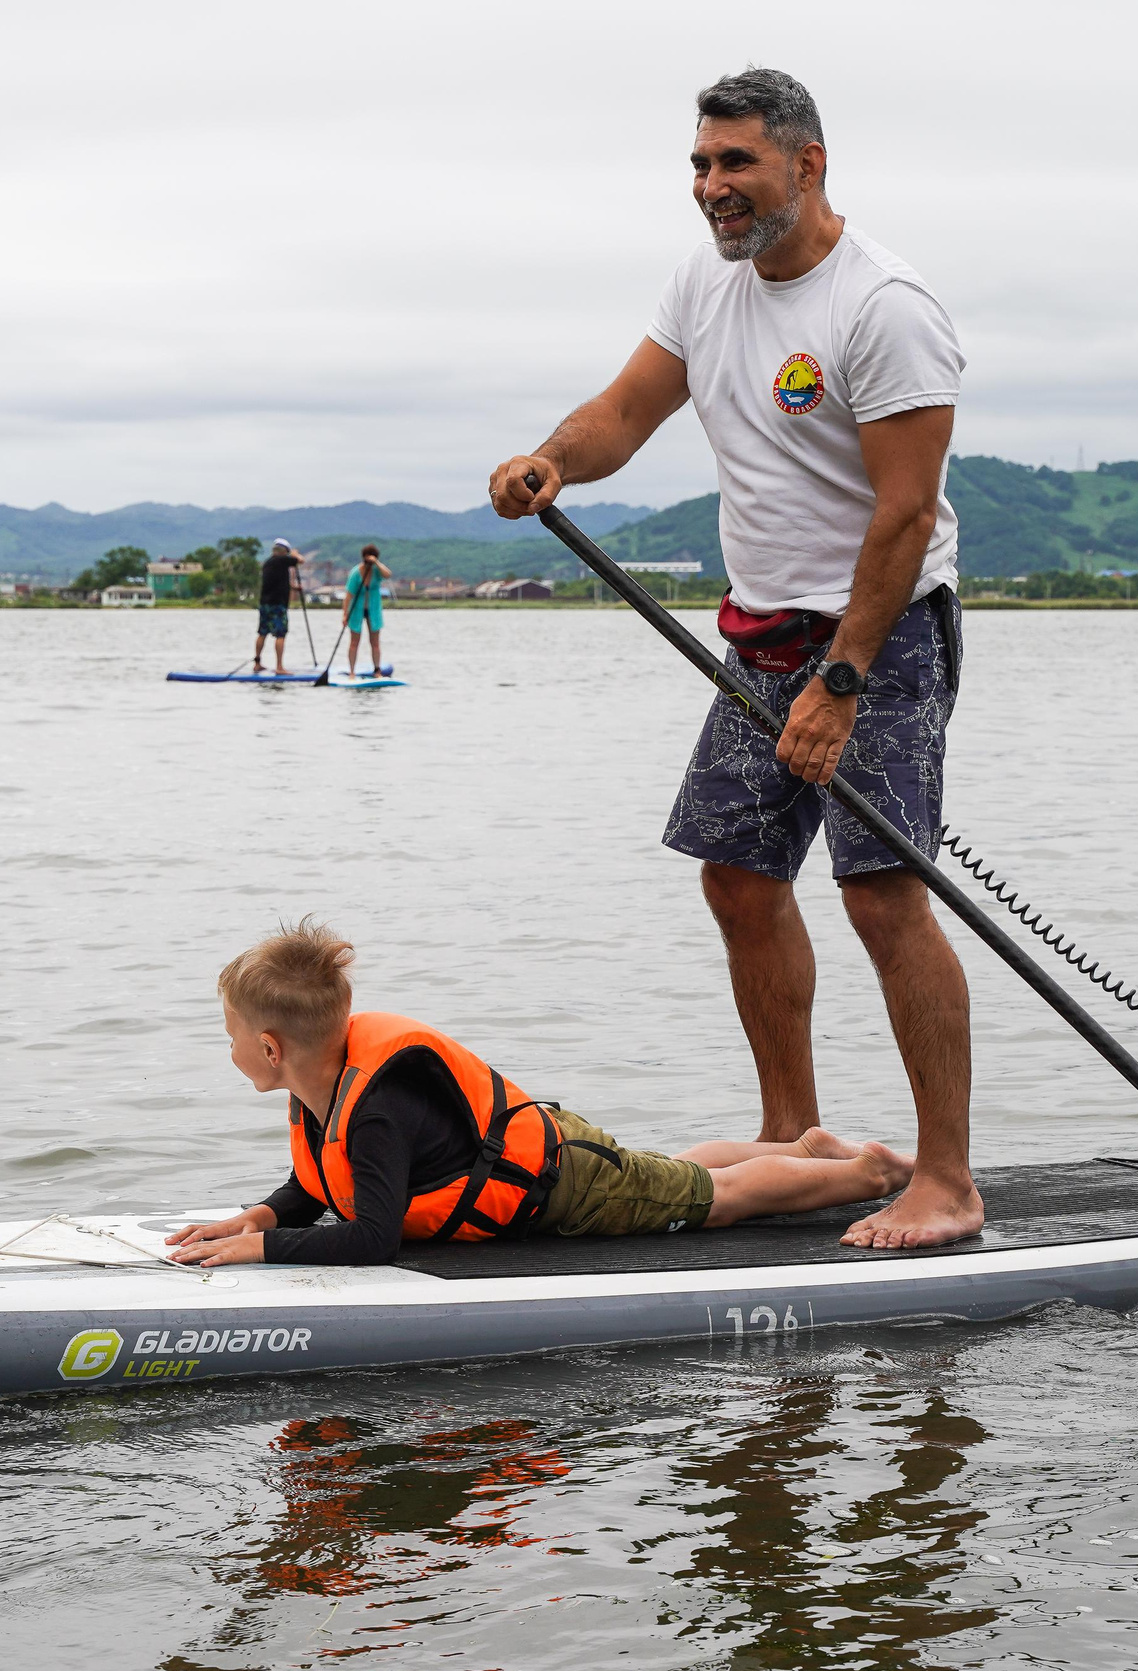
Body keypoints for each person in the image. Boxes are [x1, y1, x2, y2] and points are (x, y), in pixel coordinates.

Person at [486, 68, 974, 1250]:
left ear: (807, 164)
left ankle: (946, 1183)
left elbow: (903, 520)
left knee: (881, 896)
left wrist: (841, 685)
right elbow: (625, 410)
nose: (711, 188)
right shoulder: (706, 281)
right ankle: (797, 1136)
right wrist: (551, 459)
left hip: (884, 631)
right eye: (701, 166)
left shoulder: (884, 306)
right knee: (738, 876)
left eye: (735, 163)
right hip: (762, 632)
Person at [165, 920, 913, 1267]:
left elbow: (372, 1238)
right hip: (554, 1156)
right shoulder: (321, 1077)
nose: (228, 1047)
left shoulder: (375, 1111)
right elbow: (320, 1179)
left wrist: (260, 1250)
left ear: (270, 1048)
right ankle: (804, 1147)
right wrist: (262, 1213)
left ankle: (865, 1171)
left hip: (561, 1185)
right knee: (673, 1172)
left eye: (230, 1033)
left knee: (710, 1199)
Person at [253, 538, 302, 674]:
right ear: (284, 552)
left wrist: (293, 587)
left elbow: (277, 581)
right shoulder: (283, 560)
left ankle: (257, 663)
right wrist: (295, 553)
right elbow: (300, 561)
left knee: (262, 633)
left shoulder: (268, 563)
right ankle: (279, 667)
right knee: (281, 634)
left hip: (265, 604)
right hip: (278, 604)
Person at [343, 545, 390, 677]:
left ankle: (377, 670)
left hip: (373, 610)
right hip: (356, 610)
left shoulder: (377, 570)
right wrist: (345, 614)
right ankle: (352, 671)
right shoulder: (355, 573)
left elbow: (388, 574)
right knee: (354, 642)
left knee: (375, 642)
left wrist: (376, 562)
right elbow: (348, 596)